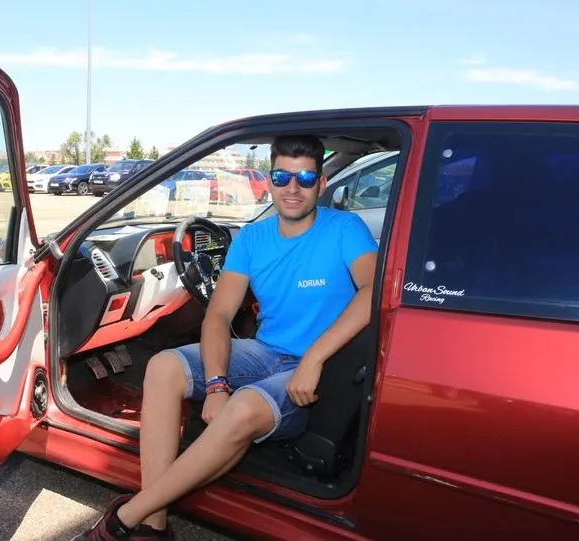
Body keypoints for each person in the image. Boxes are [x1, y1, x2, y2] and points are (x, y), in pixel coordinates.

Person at [75, 134, 379, 540]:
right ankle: (154, 526)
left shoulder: (345, 229)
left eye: (306, 178)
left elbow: (372, 290)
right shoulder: (252, 239)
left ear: (321, 184)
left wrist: (314, 357)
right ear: (269, 181)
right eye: (282, 177)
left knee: (243, 408)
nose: (293, 188)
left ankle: (125, 518)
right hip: (265, 352)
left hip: (322, 367)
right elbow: (218, 314)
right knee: (163, 366)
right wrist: (216, 384)